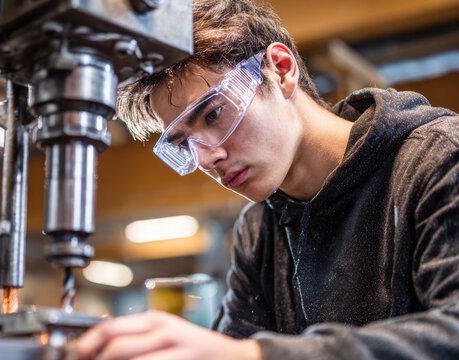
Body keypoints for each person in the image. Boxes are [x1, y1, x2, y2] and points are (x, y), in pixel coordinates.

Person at [76, 0, 459, 359]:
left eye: (213, 115)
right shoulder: (259, 230)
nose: (207, 158)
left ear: (281, 69)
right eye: (184, 142)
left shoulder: (438, 160)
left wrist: (254, 356)